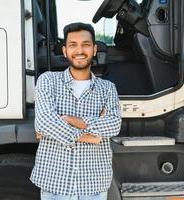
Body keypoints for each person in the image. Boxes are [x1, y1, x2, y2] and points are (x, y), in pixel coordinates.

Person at [30, 22, 122, 200]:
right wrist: (91, 136)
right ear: (65, 51)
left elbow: (113, 126)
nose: (79, 50)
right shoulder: (48, 80)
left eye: (85, 45)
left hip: (93, 185)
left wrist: (66, 120)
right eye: (73, 45)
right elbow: (44, 122)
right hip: (55, 182)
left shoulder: (108, 88)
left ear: (94, 49)